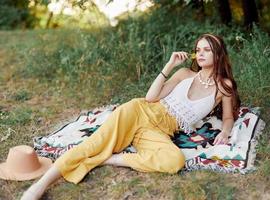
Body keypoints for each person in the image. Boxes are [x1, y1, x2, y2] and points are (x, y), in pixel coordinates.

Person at [21, 33, 240, 200]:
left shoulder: (224, 86)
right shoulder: (184, 73)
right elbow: (150, 96)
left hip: (158, 131)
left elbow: (228, 117)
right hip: (139, 111)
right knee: (92, 145)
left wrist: (226, 130)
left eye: (207, 50)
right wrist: (169, 65)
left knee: (175, 161)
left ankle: (108, 159)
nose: (200, 53)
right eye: (198, 49)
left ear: (218, 54)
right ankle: (40, 185)